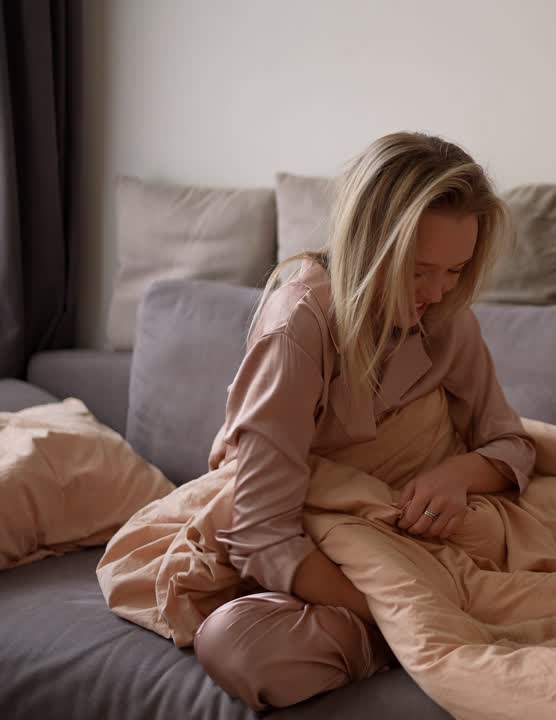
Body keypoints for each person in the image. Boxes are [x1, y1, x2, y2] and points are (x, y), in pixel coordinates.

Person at [191, 132, 535, 710]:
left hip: (437, 541)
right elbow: (261, 535)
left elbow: (512, 442)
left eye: (455, 270)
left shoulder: (448, 317)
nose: (438, 291)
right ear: (368, 244)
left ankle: (432, 627)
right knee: (238, 646)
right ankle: (417, 634)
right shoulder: (298, 325)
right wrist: (404, 610)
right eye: (418, 270)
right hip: (341, 557)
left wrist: (459, 474)